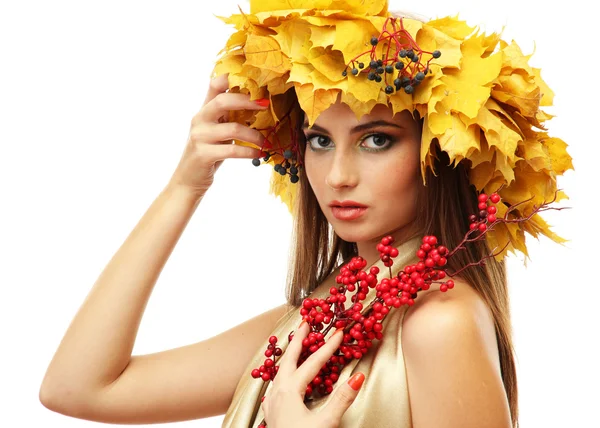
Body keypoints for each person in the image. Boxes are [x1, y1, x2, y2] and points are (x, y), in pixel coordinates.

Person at [39, 1, 572, 427]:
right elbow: (78, 388)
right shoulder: (319, 318)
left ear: (441, 153)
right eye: (319, 139)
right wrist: (185, 185)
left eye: (377, 140)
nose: (337, 174)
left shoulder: (438, 325)